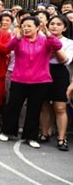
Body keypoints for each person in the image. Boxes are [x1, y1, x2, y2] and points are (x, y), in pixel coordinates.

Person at [0, 17, 62, 149]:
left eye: (29, 26)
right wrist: (17, 37)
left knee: (34, 109)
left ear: (38, 27)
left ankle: (31, 136)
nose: (26, 28)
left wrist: (48, 33)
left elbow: (58, 46)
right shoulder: (19, 39)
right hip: (19, 79)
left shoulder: (45, 40)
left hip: (40, 81)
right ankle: (7, 131)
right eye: (24, 26)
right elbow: (6, 49)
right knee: (13, 106)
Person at [38, 15, 73, 151]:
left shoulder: (69, 43)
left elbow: (65, 60)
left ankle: (61, 137)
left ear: (64, 27)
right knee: (44, 105)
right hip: (42, 71)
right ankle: (44, 133)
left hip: (60, 73)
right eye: (52, 23)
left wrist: (54, 47)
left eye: (59, 24)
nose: (54, 26)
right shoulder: (40, 38)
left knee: (60, 107)